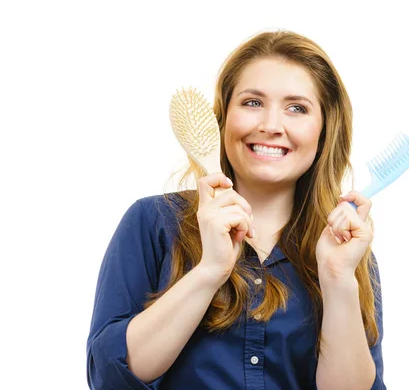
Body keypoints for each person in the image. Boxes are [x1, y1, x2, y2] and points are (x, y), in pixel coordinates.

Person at [86, 29, 386, 390]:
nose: (271, 126)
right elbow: (110, 377)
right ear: (223, 118)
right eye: (252, 103)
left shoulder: (346, 251)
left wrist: (338, 279)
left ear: (324, 131)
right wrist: (210, 270)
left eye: (297, 108)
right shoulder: (153, 224)